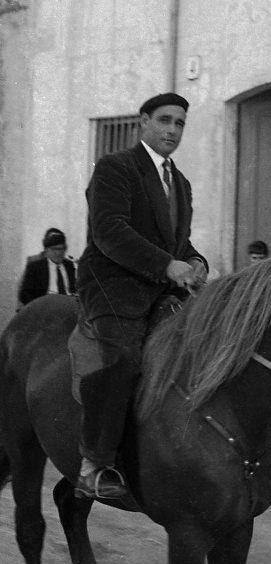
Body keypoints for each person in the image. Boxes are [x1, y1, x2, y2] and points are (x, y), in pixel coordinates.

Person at [68, 92, 208, 501]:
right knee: (126, 360)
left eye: (180, 123)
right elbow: (109, 231)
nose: (172, 130)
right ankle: (94, 463)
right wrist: (167, 265)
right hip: (113, 287)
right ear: (142, 122)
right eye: (164, 120)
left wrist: (195, 260)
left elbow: (176, 241)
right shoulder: (115, 167)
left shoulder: (179, 183)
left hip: (160, 290)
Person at [17, 228, 77, 307]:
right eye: (55, 249)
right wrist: (39, 307)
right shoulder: (35, 267)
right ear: (46, 250)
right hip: (45, 308)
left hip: (68, 307)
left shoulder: (69, 265)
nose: (58, 253)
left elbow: (74, 289)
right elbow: (24, 294)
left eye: (62, 249)